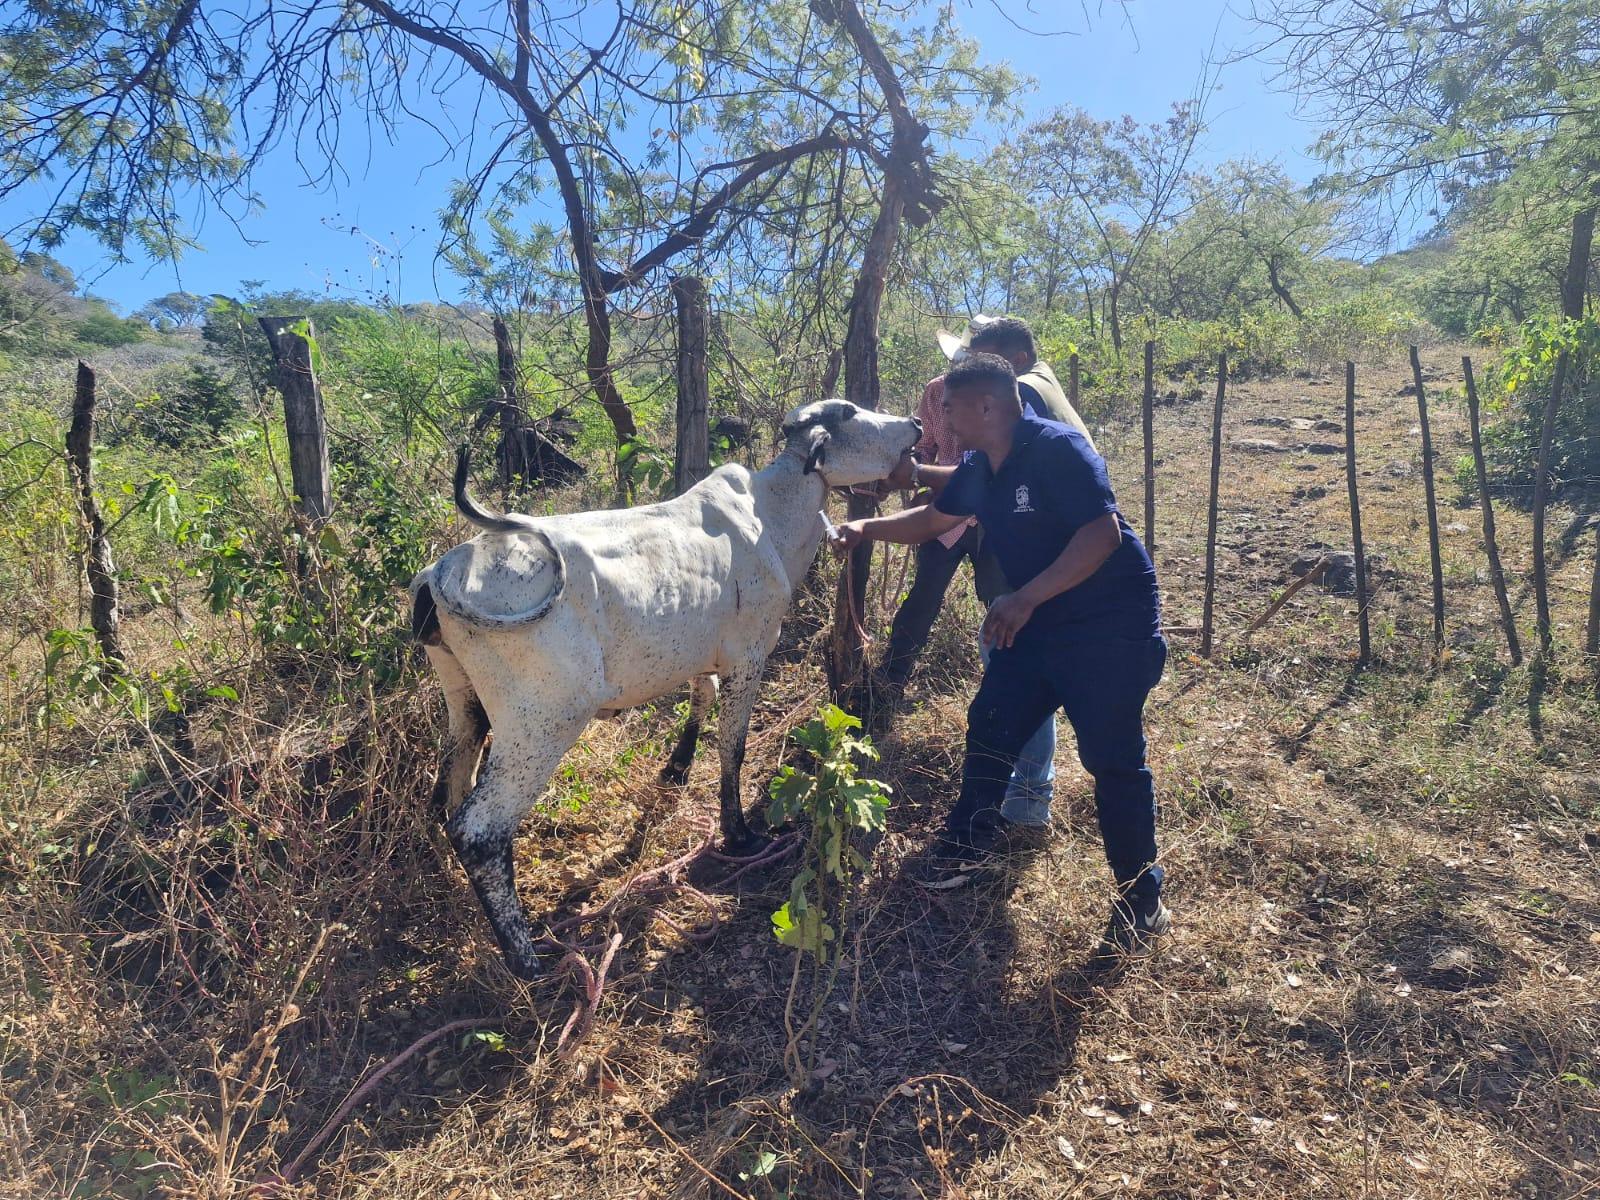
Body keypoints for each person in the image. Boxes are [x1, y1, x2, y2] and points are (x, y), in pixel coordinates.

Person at [833, 352, 1170, 955]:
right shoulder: (979, 464)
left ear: (987, 406)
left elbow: (1102, 534)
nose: (942, 421)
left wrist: (1025, 597)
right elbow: (934, 518)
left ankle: (1142, 899)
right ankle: (967, 847)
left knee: (1113, 761)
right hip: (1037, 625)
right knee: (990, 724)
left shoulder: (1058, 450)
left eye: (950, 409)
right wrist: (865, 530)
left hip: (1108, 629)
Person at [873, 315, 1094, 827]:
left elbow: (988, 476)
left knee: (1016, 659)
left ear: (1012, 363)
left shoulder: (1026, 398)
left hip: (1014, 537)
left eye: (981, 359)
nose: (969, 368)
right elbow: (942, 469)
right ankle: (891, 688)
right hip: (978, 523)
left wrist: (916, 476)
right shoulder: (961, 392)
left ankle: (1026, 799)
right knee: (942, 614)